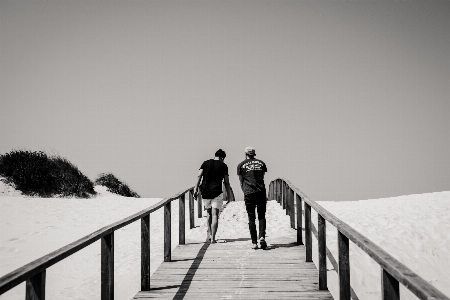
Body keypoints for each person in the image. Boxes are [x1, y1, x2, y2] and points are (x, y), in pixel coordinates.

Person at [194, 149, 231, 243]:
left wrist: (195, 189)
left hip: (205, 192)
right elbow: (226, 182)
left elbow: (199, 176)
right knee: (215, 215)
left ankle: (209, 235)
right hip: (217, 192)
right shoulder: (223, 165)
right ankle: (213, 238)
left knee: (209, 214)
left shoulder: (205, 163)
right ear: (222, 158)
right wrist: (229, 195)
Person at [237, 146, 268, 249]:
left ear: (245, 154)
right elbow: (262, 177)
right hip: (261, 192)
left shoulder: (241, 165)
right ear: (254, 154)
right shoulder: (261, 163)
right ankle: (262, 237)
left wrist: (245, 191)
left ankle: (254, 243)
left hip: (249, 193)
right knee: (261, 216)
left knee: (251, 217)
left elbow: (241, 181)